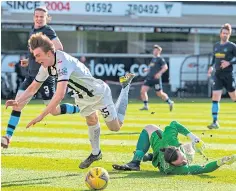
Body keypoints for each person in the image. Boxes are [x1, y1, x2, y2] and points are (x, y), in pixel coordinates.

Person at [5, 33, 135, 169]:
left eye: (38, 55)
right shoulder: (46, 66)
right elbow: (32, 88)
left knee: (115, 127)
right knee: (91, 120)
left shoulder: (63, 61)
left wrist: (41, 116)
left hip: (99, 94)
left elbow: (60, 94)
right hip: (82, 97)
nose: (36, 60)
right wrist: (18, 101)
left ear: (49, 53)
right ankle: (96, 153)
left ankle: (125, 87)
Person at [1, 7, 80, 149]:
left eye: (41, 17)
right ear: (33, 17)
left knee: (54, 111)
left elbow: (59, 48)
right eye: (36, 16)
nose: (38, 18)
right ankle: (7, 137)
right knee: (18, 105)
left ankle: (80, 108)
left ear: (46, 18)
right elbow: (37, 53)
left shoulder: (48, 31)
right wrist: (29, 60)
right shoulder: (33, 30)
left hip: (45, 78)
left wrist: (48, 64)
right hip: (30, 76)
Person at [112, 121, 236, 175]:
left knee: (149, 127)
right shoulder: (177, 169)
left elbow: (175, 124)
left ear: (175, 147)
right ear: (173, 164)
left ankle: (136, 161)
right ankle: (147, 157)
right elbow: (203, 169)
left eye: (182, 158)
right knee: (189, 150)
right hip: (165, 155)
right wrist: (221, 162)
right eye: (181, 162)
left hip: (160, 150)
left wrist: (194, 137)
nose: (184, 161)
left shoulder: (169, 140)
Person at [207, 23, 236, 129]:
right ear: (220, 34)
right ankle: (215, 122)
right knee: (215, 97)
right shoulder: (216, 46)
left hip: (228, 75)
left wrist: (229, 62)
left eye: (227, 34)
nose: (225, 35)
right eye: (223, 33)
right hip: (218, 75)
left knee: (234, 97)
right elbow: (214, 58)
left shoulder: (232, 46)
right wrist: (210, 66)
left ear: (229, 35)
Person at [140, 44, 174, 111]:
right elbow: (151, 67)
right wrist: (147, 70)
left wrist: (159, 73)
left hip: (156, 79)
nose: (154, 51)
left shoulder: (160, 59)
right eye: (154, 50)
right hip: (149, 78)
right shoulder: (153, 59)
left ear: (159, 51)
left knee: (159, 93)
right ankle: (146, 106)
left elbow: (165, 67)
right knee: (143, 91)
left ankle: (170, 102)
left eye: (156, 50)